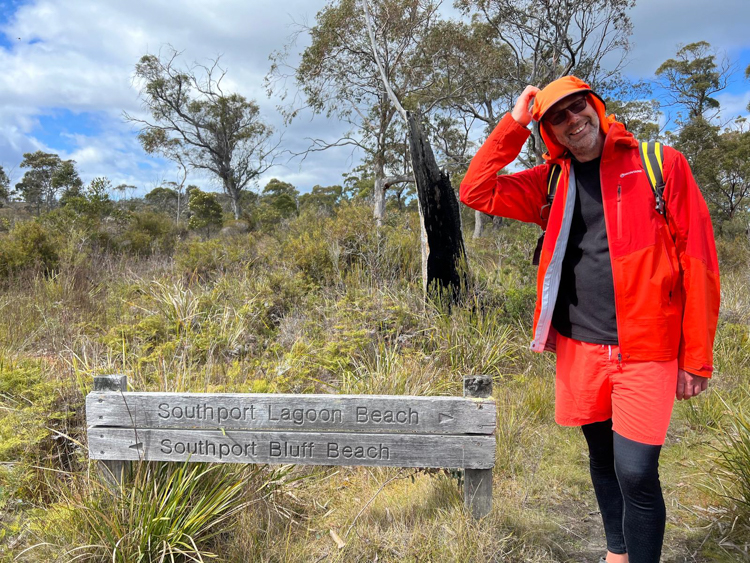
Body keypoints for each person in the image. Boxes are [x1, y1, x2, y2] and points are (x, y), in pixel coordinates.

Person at [459, 76, 720, 563]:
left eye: (578, 107)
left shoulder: (659, 164)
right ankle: (617, 552)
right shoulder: (550, 181)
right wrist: (515, 124)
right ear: (549, 132)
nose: (572, 120)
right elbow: (475, 191)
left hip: (647, 348)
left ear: (596, 106)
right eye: (557, 117)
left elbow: (700, 260)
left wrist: (697, 357)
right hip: (581, 346)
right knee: (602, 458)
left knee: (637, 471)